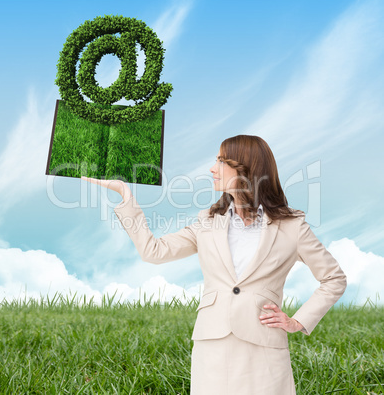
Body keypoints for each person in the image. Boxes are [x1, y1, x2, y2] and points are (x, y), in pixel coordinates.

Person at [81, 134, 347, 395]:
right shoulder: (208, 220)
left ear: (245, 168)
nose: (212, 168)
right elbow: (154, 251)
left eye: (221, 161)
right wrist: (126, 196)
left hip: (263, 346)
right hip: (213, 345)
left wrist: (298, 321)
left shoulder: (291, 226)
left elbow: (334, 279)